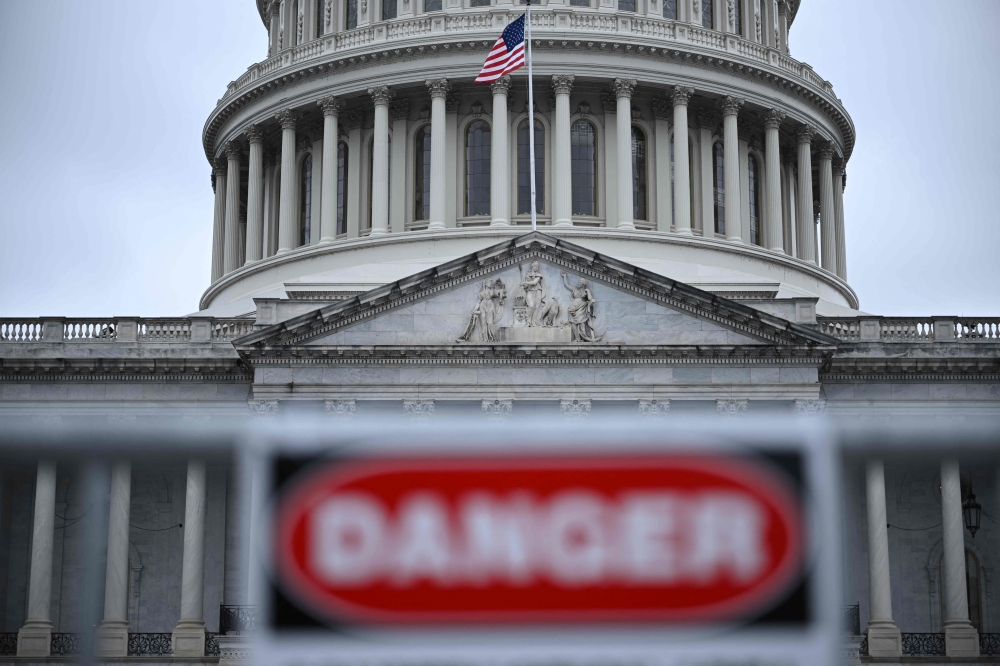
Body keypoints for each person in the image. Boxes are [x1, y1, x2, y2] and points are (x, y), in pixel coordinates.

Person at [561, 272, 602, 342]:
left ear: (583, 284)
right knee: (573, 323)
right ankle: (577, 338)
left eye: (580, 282)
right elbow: (566, 285)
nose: (578, 283)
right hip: (572, 310)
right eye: (579, 282)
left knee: (581, 323)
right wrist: (564, 276)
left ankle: (584, 337)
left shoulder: (585, 292)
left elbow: (590, 299)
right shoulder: (574, 289)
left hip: (581, 309)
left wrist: (588, 291)